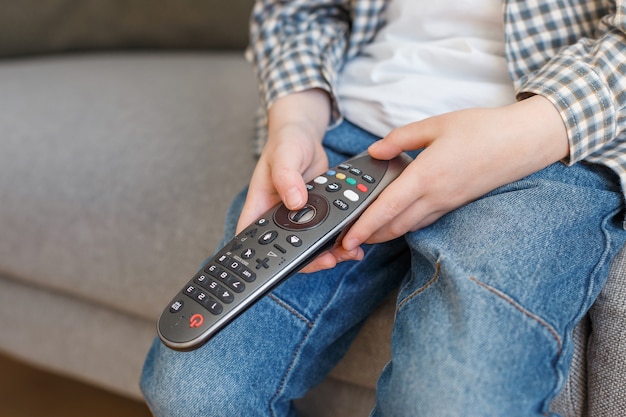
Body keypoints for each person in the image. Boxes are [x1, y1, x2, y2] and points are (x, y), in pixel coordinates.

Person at [140, 0, 626, 415]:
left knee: (451, 405)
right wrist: (297, 118)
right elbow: (299, 9)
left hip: (542, 142)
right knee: (193, 393)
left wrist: (532, 128)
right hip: (353, 131)